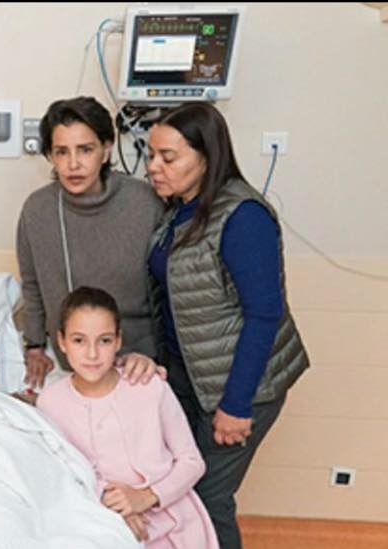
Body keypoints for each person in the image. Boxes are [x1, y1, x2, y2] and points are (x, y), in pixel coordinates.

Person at [145, 102, 309, 549]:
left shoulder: (243, 217)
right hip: (191, 378)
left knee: (207, 499)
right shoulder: (179, 209)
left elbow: (264, 314)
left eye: (168, 157)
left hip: (238, 387)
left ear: (207, 157)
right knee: (181, 490)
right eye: (151, 155)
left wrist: (236, 405)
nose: (154, 167)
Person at [37, 287, 218, 548]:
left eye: (104, 340)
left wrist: (147, 497)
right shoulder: (50, 403)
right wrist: (113, 506)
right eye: (79, 340)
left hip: (175, 522)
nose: (92, 354)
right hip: (104, 523)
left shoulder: (149, 386)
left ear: (118, 341)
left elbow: (192, 461)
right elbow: (63, 473)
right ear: (62, 341)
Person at [17, 96, 164, 389]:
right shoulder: (38, 210)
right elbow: (32, 285)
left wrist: (156, 356)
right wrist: (34, 345)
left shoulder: (145, 203)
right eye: (61, 152)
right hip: (73, 361)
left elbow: (168, 291)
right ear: (50, 156)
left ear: (106, 149)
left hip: (137, 361)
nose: (73, 164)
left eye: (85, 149)